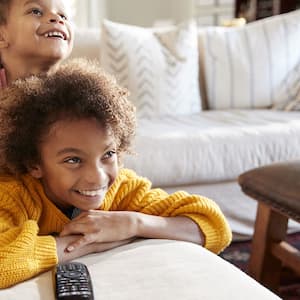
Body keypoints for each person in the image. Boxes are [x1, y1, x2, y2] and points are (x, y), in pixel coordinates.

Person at [0, 58, 232, 288]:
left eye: (108, 154)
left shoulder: (122, 187)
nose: (98, 177)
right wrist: (87, 244)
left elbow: (214, 226)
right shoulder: (13, 196)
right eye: (73, 160)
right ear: (34, 164)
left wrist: (133, 223)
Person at [0, 0, 73, 87]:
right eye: (36, 12)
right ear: (1, 36)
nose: (58, 18)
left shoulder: (75, 89)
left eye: (63, 16)